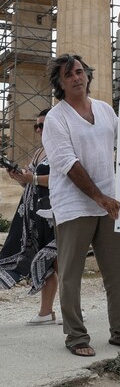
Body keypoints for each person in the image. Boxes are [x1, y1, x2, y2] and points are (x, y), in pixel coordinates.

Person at [42, 53, 120, 357]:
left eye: (79, 72)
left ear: (87, 75)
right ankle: (75, 337)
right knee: (72, 274)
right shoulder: (56, 118)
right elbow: (68, 163)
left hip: (109, 203)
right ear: (60, 84)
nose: (76, 77)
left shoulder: (103, 109)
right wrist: (98, 196)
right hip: (75, 206)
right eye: (69, 75)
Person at [0, 109, 59, 325]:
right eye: (37, 126)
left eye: (43, 125)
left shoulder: (62, 148)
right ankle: (47, 312)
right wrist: (20, 178)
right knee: (45, 263)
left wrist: (32, 178)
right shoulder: (39, 152)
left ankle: (62, 312)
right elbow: (30, 183)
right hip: (32, 215)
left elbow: (63, 180)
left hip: (54, 213)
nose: (39, 130)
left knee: (53, 261)